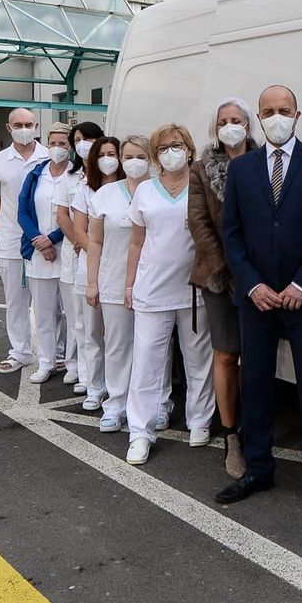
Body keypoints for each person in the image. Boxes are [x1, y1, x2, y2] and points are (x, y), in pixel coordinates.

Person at [217, 85, 302, 521]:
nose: (277, 117)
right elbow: (230, 234)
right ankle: (258, 469)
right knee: (255, 386)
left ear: (298, 114)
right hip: (256, 300)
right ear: (259, 117)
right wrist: (253, 285)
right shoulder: (242, 169)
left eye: (284, 110)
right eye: (268, 111)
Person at [123, 123, 216, 465]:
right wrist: (130, 284)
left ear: (190, 149)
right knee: (147, 361)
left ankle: (200, 420)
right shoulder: (145, 191)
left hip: (195, 288)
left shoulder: (202, 186)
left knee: (198, 359)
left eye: (176, 145)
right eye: (162, 148)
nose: (170, 152)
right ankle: (140, 433)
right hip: (151, 289)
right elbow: (136, 241)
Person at [189, 98, 257, 480]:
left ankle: (255, 428)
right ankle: (231, 435)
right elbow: (199, 225)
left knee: (258, 356)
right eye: (223, 121)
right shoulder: (201, 169)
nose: (230, 126)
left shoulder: (267, 162)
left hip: (263, 278)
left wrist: (256, 274)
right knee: (228, 355)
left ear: (249, 124)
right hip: (219, 276)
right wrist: (231, 273)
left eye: (237, 120)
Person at [86, 134, 151, 433]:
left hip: (152, 281)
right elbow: (95, 241)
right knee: (117, 346)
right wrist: (92, 283)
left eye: (141, 156)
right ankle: (116, 404)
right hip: (112, 279)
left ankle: (158, 404)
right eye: (129, 157)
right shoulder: (105, 194)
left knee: (152, 346)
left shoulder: (158, 191)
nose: (134, 162)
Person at [0, 108, 46, 374]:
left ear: (36, 125)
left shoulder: (48, 157)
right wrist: (18, 224)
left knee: (51, 302)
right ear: (9, 128)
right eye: (18, 124)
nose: (24, 128)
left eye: (28, 124)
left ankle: (57, 353)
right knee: (16, 301)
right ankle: (20, 352)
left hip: (46, 244)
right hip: (11, 242)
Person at [17, 124, 73, 384]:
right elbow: (23, 212)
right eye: (54, 142)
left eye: (63, 143)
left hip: (68, 248)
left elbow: (73, 216)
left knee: (72, 313)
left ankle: (72, 363)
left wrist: (52, 239)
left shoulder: (77, 175)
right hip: (39, 251)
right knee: (44, 311)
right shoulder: (36, 174)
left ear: (70, 146)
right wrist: (39, 240)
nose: (58, 148)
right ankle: (46, 361)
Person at [68, 134, 119, 411]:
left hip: (120, 273)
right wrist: (100, 256)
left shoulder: (131, 189)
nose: (107, 160)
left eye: (113, 154)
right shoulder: (84, 190)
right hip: (90, 269)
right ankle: (94, 387)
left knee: (118, 337)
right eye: (102, 155)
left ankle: (116, 389)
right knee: (93, 334)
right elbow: (79, 230)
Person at [53, 121, 104, 391]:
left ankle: (104, 377)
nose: (82, 143)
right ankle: (86, 376)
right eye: (78, 139)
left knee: (104, 325)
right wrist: (78, 240)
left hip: (102, 255)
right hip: (77, 253)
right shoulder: (69, 178)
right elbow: (62, 214)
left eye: (87, 138)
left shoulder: (110, 174)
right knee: (80, 321)